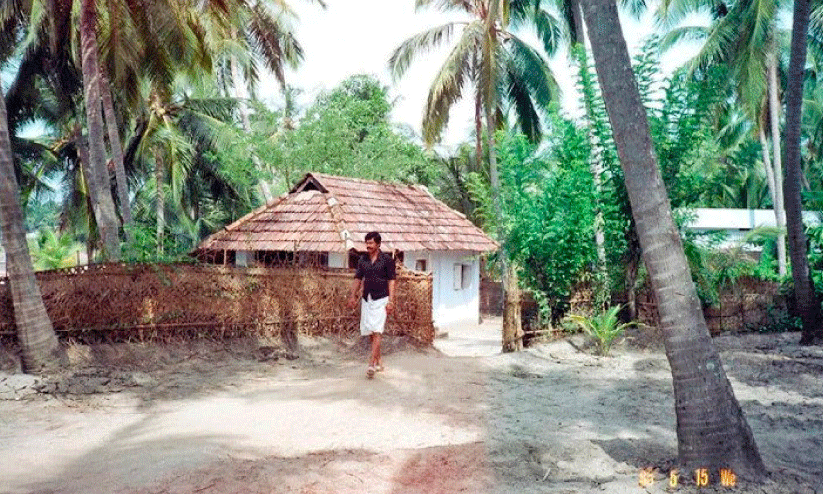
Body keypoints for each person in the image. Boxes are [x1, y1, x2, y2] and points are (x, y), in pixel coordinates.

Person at [347, 232, 396, 378]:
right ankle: (379, 359)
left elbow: (392, 281)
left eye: (371, 243)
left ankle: (371, 363)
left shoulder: (387, 260)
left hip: (381, 299)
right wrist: (352, 296)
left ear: (378, 244)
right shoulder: (363, 260)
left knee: (378, 330)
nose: (368, 246)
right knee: (370, 331)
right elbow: (357, 278)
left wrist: (391, 301)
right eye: (367, 243)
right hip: (367, 298)